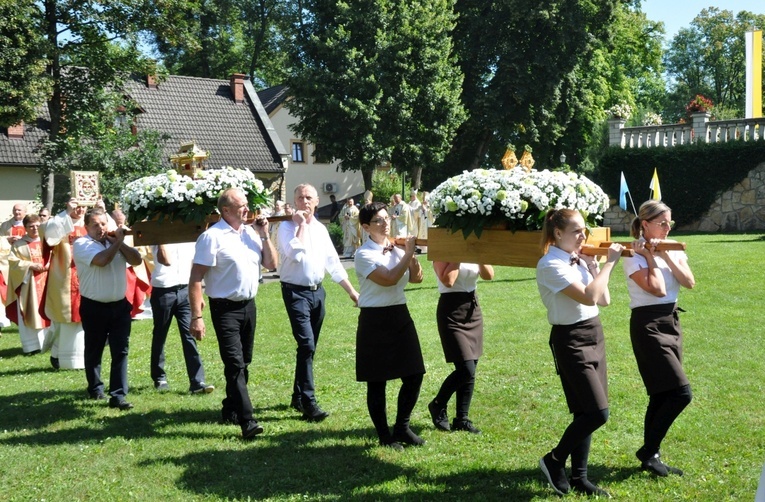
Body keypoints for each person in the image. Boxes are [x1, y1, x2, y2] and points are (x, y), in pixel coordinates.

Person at [536, 208, 624, 497]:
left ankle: (579, 478)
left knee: (585, 411)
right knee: (598, 413)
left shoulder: (578, 260)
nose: (582, 236)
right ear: (558, 233)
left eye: (584, 230)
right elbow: (589, 296)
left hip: (593, 332)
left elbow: (604, 300)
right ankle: (554, 460)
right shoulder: (550, 264)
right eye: (576, 231)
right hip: (570, 338)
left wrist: (595, 266)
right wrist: (610, 263)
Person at [189, 188, 277, 440]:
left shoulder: (250, 233)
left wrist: (265, 236)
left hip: (249, 306)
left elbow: (271, 264)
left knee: (244, 362)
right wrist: (197, 316)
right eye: (241, 206)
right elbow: (196, 278)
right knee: (235, 364)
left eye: (247, 204)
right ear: (225, 210)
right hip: (224, 308)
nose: (247, 209)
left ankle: (230, 407)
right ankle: (247, 421)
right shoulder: (211, 237)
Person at [623, 200, 695, 477]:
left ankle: (651, 455)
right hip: (648, 324)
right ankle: (648, 449)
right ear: (645, 225)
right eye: (662, 223)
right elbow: (656, 289)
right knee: (680, 393)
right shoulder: (633, 253)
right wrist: (652, 257)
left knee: (661, 393)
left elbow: (689, 282)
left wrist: (665, 256)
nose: (667, 228)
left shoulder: (672, 247)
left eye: (669, 223)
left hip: (671, 320)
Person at [277, 184, 359, 421]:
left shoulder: (321, 230)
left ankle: (297, 395)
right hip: (295, 293)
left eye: (309, 198)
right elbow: (296, 253)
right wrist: (301, 224)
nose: (304, 202)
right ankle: (309, 402)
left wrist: (352, 292)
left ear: (315, 201)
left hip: (317, 293)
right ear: (294, 201)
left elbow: (333, 263)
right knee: (306, 345)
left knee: (308, 348)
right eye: (300, 197)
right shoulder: (286, 228)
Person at [354, 202, 425, 450]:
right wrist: (407, 253)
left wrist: (411, 255)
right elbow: (389, 279)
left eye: (387, 218)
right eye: (378, 221)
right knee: (377, 381)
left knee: (415, 373)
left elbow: (417, 278)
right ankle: (385, 436)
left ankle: (402, 427)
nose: (385, 224)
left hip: (399, 314)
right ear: (365, 227)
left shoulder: (396, 248)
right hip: (375, 319)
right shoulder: (363, 254)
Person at [73, 208, 143, 410]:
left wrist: (117, 242)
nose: (100, 228)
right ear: (86, 227)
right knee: (94, 350)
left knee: (120, 350)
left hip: (119, 306)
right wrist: (118, 242)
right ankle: (95, 388)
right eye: (95, 225)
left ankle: (118, 395)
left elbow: (137, 260)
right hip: (94, 306)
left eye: (103, 224)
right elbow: (102, 261)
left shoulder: (114, 243)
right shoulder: (82, 244)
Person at [428, 261, 494, 434]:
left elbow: (489, 275)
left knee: (472, 366)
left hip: (472, 308)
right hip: (451, 311)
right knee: (466, 368)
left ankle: (461, 419)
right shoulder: (443, 252)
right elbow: (448, 281)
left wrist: (478, 255)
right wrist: (458, 254)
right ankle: (438, 404)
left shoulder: (472, 250)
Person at [150, 243, 214, 394]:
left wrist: (199, 295)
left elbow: (194, 265)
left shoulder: (187, 235)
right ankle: (159, 377)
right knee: (160, 334)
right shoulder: (159, 234)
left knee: (189, 335)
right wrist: (162, 241)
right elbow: (165, 260)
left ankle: (197, 381)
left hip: (185, 289)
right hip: (163, 290)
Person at [42, 198, 88, 369]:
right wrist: (67, 213)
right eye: (77, 207)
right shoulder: (61, 221)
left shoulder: (91, 223)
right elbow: (49, 237)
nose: (80, 210)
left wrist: (101, 209)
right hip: (64, 277)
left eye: (84, 206)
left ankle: (79, 358)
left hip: (86, 276)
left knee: (84, 318)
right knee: (65, 318)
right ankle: (61, 356)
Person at [5, 214, 50, 354]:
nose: (35, 228)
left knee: (49, 310)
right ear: (25, 228)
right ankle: (32, 346)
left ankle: (49, 343)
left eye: (37, 225)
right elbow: (13, 262)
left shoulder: (47, 241)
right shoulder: (19, 244)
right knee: (31, 311)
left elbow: (56, 256)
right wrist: (30, 265)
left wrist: (49, 264)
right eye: (31, 226)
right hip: (29, 285)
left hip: (48, 282)